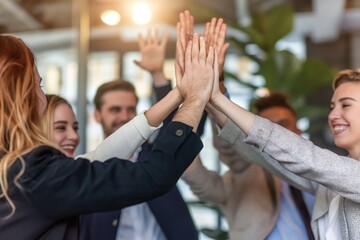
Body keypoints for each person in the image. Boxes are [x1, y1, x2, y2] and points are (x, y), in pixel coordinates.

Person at [0, 32, 214, 239]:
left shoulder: (16, 167)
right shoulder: (31, 172)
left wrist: (181, 91)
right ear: (21, 93)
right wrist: (195, 97)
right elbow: (151, 176)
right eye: (38, 85)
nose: (42, 96)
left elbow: (98, 156)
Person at [205, 58, 360, 239]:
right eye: (332, 107)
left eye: (346, 105)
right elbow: (265, 156)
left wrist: (218, 99)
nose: (333, 115)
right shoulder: (329, 185)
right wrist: (214, 95)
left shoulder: (343, 174)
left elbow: (307, 157)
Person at [80, 28, 198, 240]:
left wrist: (157, 74)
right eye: (115, 110)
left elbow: (177, 127)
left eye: (130, 109)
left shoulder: (156, 156)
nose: (125, 117)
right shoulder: (90, 168)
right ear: (97, 115)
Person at [182, 91, 315, 240]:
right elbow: (229, 145)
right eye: (269, 129)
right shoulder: (246, 168)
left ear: (299, 131)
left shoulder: (319, 174)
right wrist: (218, 95)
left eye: (283, 125)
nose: (278, 134)